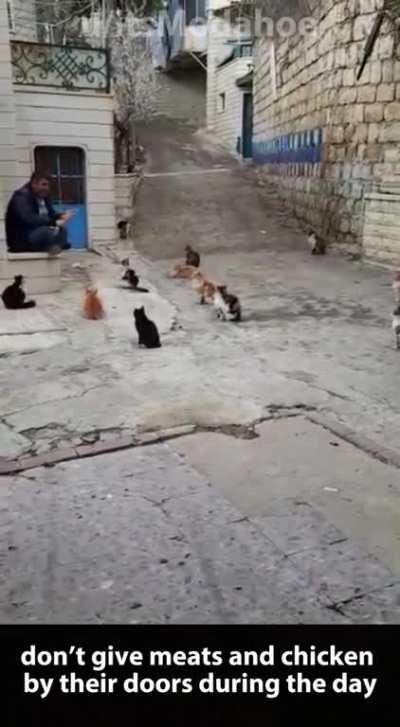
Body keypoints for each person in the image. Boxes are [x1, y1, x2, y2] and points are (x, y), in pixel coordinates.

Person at [5, 171, 73, 255]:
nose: (47, 188)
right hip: (22, 237)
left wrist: (61, 216)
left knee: (62, 230)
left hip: (37, 232)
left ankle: (55, 246)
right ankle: (54, 246)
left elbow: (51, 214)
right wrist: (53, 222)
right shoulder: (21, 196)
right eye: (44, 184)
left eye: (48, 185)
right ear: (34, 184)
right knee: (46, 231)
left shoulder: (44, 196)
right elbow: (29, 218)